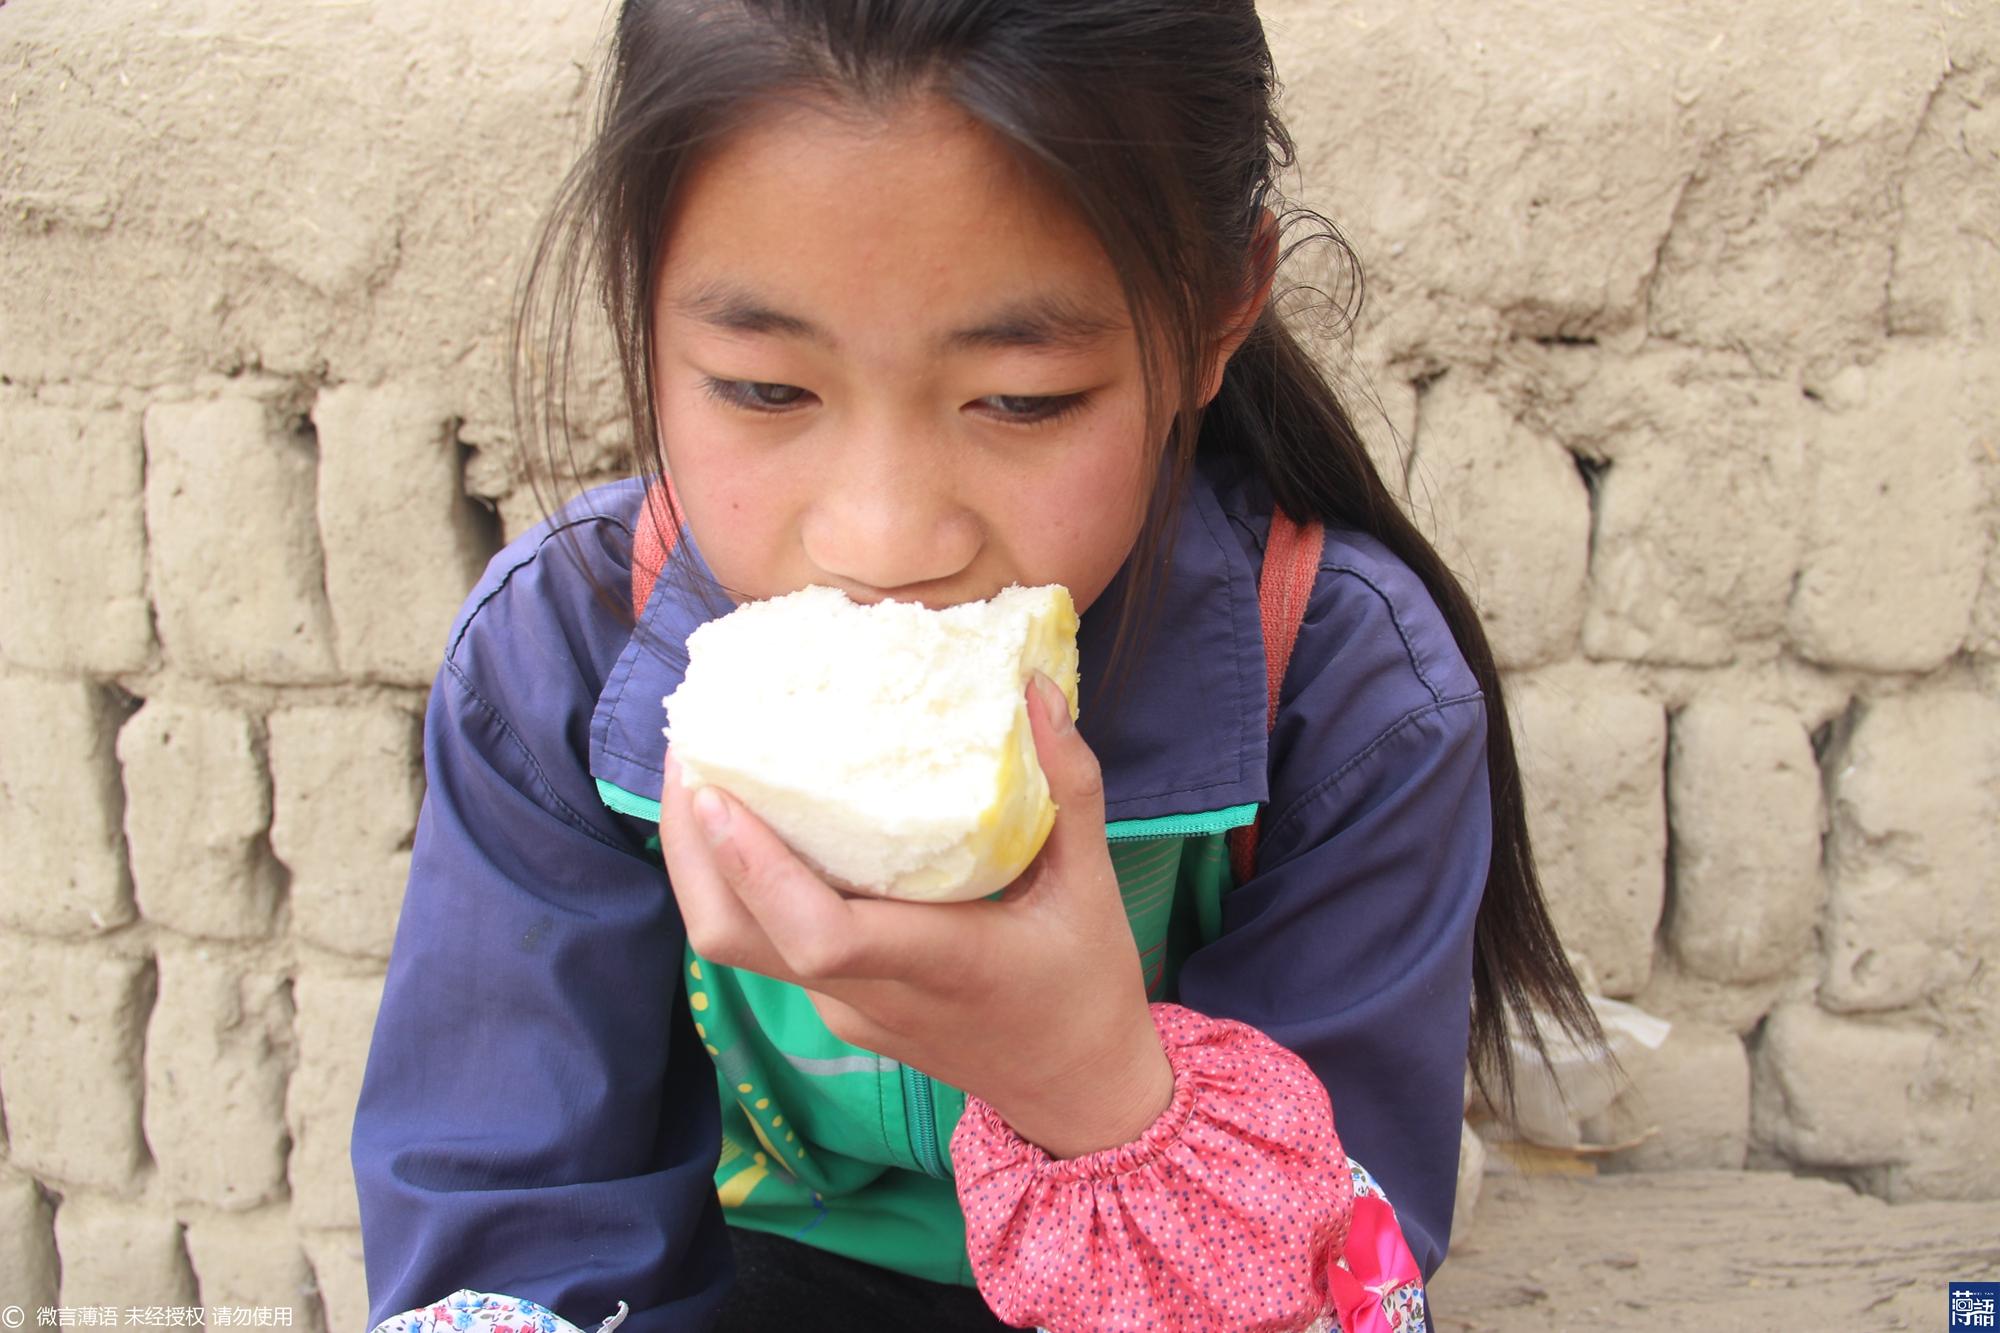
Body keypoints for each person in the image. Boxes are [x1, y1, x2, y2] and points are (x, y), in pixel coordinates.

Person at [352, 2, 1598, 1330]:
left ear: (1218, 312)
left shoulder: (1348, 703)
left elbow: (1345, 1290)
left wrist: (1093, 1079)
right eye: (764, 389)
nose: (884, 538)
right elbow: (514, 1237)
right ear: (645, 309)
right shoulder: (559, 661)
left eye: (1024, 400)